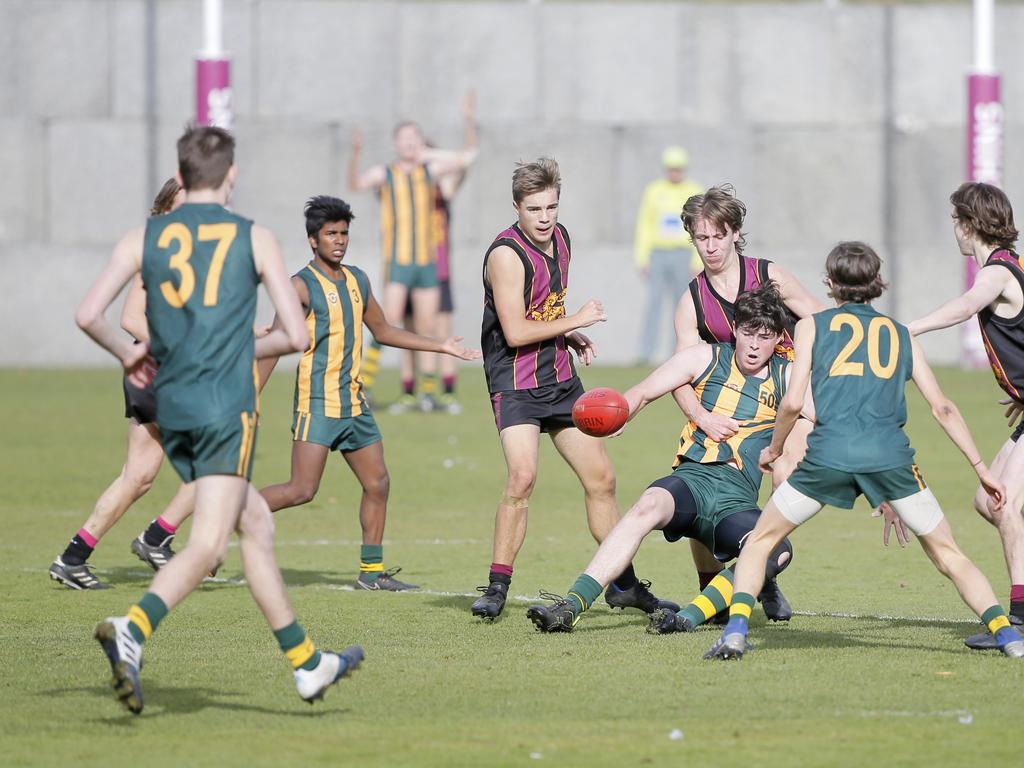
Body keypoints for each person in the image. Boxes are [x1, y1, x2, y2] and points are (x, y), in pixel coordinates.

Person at [77, 125, 362, 714]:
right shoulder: (254, 237)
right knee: (207, 546)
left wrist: (133, 352)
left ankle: (308, 664)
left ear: (181, 178)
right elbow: (292, 334)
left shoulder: (145, 236)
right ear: (231, 176)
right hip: (223, 406)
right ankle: (132, 628)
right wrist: (234, 350)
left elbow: (88, 315)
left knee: (254, 523)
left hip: (171, 402)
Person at [705, 241, 1024, 661]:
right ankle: (1009, 637)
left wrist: (774, 448)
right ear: (877, 284)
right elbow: (943, 408)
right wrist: (981, 468)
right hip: (891, 460)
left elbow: (793, 403)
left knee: (761, 540)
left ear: (830, 283)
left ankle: (736, 633)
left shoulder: (811, 326)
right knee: (949, 554)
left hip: (827, 458)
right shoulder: (900, 333)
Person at [527, 283, 801, 632]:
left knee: (778, 549)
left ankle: (688, 617)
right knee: (647, 504)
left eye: (765, 337)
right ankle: (571, 605)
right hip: (691, 483)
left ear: (779, 337)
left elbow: (830, 421)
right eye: (748, 333)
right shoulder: (704, 357)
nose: (754, 345)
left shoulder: (787, 377)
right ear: (735, 328)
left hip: (736, 501)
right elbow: (641, 393)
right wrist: (619, 413)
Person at [470, 157, 674, 620]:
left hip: (559, 378)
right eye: (535, 209)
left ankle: (622, 584)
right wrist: (578, 318)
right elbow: (517, 332)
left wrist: (568, 333)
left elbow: (543, 311)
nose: (545, 218)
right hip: (515, 381)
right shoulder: (505, 255)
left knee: (602, 480)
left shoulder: (562, 239)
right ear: (517, 207)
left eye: (552, 207)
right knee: (522, 478)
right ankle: (497, 587)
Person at [257, 195, 480, 591]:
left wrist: (439, 345)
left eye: (344, 233)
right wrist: (251, 396)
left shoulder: (358, 279)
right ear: (313, 240)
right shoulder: (301, 286)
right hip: (318, 405)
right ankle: (225, 520)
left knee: (378, 483)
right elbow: (275, 343)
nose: (339, 241)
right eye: (330, 234)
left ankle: (371, 574)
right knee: (302, 490)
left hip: (355, 405)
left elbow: (385, 331)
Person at [672, 184, 824, 620]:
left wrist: (801, 366)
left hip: (787, 399)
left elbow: (822, 319)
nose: (711, 246)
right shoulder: (692, 301)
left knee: (784, 483)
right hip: (725, 408)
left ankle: (763, 574)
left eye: (718, 235)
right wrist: (700, 415)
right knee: (698, 496)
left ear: (736, 233)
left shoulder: (768, 275)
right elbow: (682, 372)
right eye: (702, 237)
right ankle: (723, 592)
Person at [48, 179, 196, 590]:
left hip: (158, 373)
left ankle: (73, 558)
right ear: (164, 212)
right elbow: (131, 317)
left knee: (139, 476)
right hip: (158, 371)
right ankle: (157, 539)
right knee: (220, 464)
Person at [908, 182, 1024, 648]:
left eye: (956, 221)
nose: (953, 230)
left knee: (1009, 505)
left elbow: (964, 306)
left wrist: (907, 327)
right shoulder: (1010, 266)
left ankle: (1018, 618)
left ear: (969, 224)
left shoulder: (996, 272)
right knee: (988, 501)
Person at [349, 111, 477, 412]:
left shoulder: (429, 172)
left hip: (427, 262)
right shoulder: (387, 173)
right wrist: (356, 153)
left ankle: (428, 394)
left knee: (427, 327)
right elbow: (355, 183)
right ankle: (363, 386)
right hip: (399, 262)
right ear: (395, 143)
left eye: (414, 138)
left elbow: (466, 157)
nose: (409, 144)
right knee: (387, 323)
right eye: (404, 139)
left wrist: (427, 152)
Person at [633, 145, 703, 365]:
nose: (674, 172)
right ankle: (645, 353)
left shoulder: (693, 189)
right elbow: (644, 224)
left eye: (678, 168)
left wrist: (696, 259)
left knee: (681, 306)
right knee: (653, 303)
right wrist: (642, 257)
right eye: (671, 168)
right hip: (658, 254)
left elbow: (699, 227)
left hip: (683, 253)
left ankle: (679, 351)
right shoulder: (654, 190)